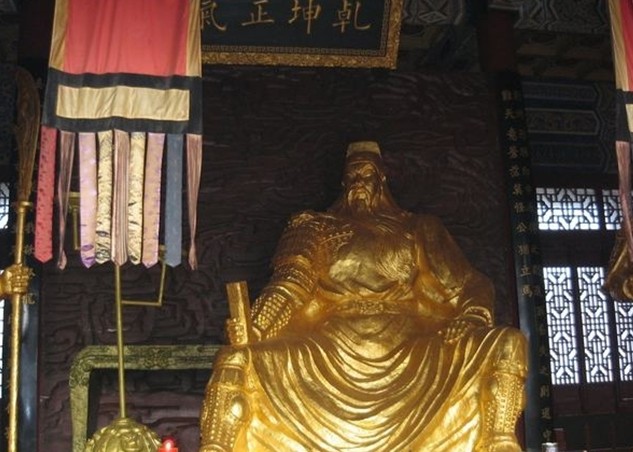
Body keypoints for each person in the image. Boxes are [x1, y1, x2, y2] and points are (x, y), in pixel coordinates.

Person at [200, 141, 527, 452]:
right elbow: (289, 285)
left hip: (410, 344)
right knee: (235, 358)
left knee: (508, 342)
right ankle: (216, 445)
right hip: (330, 345)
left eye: (366, 174)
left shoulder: (417, 228)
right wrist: (256, 326)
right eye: (352, 176)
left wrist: (472, 316)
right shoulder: (315, 227)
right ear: (343, 183)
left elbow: (469, 283)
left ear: (381, 180)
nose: (358, 182)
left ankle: (499, 439)